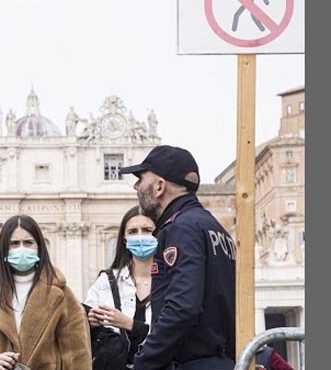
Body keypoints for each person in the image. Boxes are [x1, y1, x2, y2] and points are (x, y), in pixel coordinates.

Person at [121, 146, 236, 370]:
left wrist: (144, 363)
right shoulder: (214, 227)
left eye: (141, 179)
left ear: (159, 186)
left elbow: (182, 307)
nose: (136, 186)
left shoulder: (180, 228)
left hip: (194, 363)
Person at [0, 215, 92, 369]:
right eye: (14, 244)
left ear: (39, 248)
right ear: (4, 251)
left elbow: (77, 353)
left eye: (28, 243)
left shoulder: (62, 296)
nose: (21, 249)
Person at [85, 206, 157, 369]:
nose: (140, 236)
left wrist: (128, 324)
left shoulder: (172, 282)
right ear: (124, 239)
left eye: (147, 230)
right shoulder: (106, 281)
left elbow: (175, 333)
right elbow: (82, 332)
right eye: (133, 231)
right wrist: (91, 322)